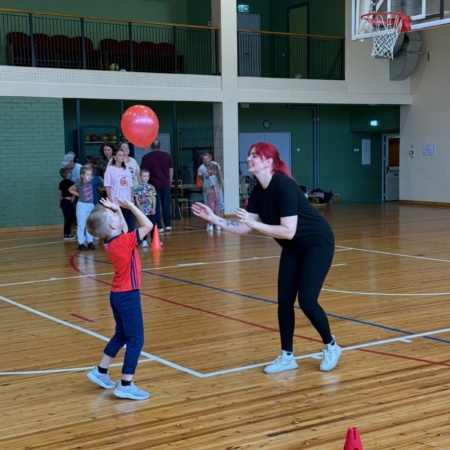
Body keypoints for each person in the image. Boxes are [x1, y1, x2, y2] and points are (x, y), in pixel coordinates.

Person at [191, 142, 341, 374]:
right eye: (249, 155)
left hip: (317, 243)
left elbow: (288, 230)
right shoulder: (258, 192)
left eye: (254, 155)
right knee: (284, 301)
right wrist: (214, 219)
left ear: (269, 161)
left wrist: (256, 225)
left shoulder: (284, 186)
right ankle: (287, 356)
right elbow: (244, 228)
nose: (249, 158)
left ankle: (331, 345)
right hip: (292, 247)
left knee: (307, 301)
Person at [85, 196, 153, 400]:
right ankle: (125, 384)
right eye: (112, 214)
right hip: (128, 296)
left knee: (121, 334)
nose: (115, 214)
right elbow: (148, 225)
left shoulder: (111, 240)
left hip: (117, 295)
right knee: (136, 339)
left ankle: (101, 371)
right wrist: (130, 206)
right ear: (112, 225)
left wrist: (117, 210)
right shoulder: (123, 242)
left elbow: (122, 226)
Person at [140, 139, 173, 233]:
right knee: (166, 205)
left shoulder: (146, 157)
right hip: (165, 184)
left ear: (151, 147)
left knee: (155, 206)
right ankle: (168, 225)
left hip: (152, 185)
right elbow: (171, 170)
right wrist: (169, 182)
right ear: (160, 146)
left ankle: (159, 226)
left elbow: (143, 172)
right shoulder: (167, 156)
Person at [104, 147, 135, 232]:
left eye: (123, 155)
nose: (122, 157)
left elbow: (130, 185)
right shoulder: (110, 169)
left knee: (130, 224)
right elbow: (107, 186)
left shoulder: (126, 169)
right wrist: (110, 199)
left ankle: (131, 238)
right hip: (116, 202)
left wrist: (132, 197)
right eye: (120, 155)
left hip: (127, 201)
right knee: (119, 225)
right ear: (114, 157)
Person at [69, 165, 96, 251]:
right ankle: (81, 243)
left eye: (90, 174)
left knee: (89, 224)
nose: (89, 176)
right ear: (82, 175)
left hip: (90, 205)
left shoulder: (91, 183)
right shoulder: (79, 184)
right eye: (87, 174)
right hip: (82, 206)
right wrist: (78, 194)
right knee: (81, 225)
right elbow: (70, 189)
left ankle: (90, 241)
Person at [197, 152, 225, 218]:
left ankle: (220, 220)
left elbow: (220, 174)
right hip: (207, 189)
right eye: (204, 159)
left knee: (220, 203)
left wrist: (220, 183)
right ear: (202, 160)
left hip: (217, 187)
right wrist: (203, 185)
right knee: (208, 204)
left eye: (207, 159)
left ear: (210, 158)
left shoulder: (215, 164)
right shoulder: (201, 168)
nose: (206, 160)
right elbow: (199, 178)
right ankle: (210, 220)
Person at [135, 168, 157, 247]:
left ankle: (154, 240)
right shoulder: (137, 188)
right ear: (140, 176)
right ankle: (144, 240)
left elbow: (154, 198)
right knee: (144, 226)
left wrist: (154, 208)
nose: (146, 178)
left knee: (153, 224)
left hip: (150, 210)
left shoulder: (152, 187)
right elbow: (137, 199)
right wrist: (141, 210)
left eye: (147, 176)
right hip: (143, 211)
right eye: (144, 176)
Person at [204, 162, 224, 232]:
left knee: (211, 210)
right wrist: (217, 194)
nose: (207, 170)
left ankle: (211, 225)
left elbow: (214, 187)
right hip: (217, 193)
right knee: (217, 210)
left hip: (211, 194)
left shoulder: (210, 177)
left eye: (208, 169)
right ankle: (218, 225)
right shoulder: (217, 177)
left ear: (212, 170)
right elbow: (219, 186)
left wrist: (215, 194)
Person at [58, 167, 76, 240]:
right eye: (70, 173)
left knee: (67, 218)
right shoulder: (70, 183)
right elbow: (75, 191)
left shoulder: (61, 183)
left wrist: (60, 202)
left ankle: (67, 233)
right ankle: (67, 234)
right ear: (67, 174)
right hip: (68, 202)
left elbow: (60, 194)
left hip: (63, 202)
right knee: (68, 218)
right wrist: (73, 198)